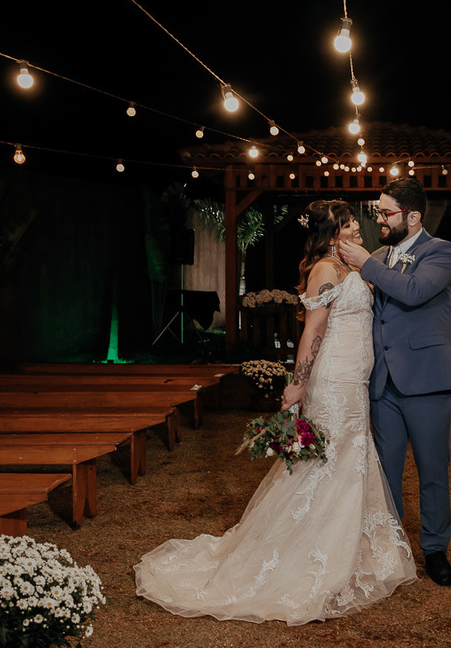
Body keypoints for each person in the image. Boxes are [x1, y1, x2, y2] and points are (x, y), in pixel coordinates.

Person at [134, 199, 416, 625]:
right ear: (333, 232)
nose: (358, 228)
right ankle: (310, 554)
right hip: (334, 382)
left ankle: (344, 547)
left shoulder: (355, 267)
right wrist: (298, 384)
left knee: (348, 461)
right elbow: (313, 332)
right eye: (349, 224)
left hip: (355, 383)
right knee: (325, 464)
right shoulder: (325, 269)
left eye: (357, 222)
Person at [338, 178, 451, 586]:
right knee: (386, 471)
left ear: (413, 216)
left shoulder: (440, 252)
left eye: (386, 213)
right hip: (383, 384)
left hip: (426, 381)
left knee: (432, 470)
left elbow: (412, 291)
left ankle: (436, 549)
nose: (380, 220)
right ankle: (389, 546)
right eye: (378, 212)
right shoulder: (378, 254)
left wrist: (366, 264)